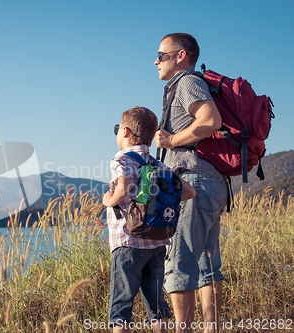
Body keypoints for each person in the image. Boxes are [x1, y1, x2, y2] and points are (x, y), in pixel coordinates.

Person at [153, 33, 228, 333]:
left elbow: (211, 120)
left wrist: (171, 139)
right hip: (209, 183)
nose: (155, 60)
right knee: (207, 267)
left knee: (179, 265)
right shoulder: (189, 84)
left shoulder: (187, 82)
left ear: (180, 56)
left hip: (192, 183)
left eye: (161, 54)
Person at [103, 106, 196, 333]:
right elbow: (189, 191)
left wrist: (109, 200)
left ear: (124, 132)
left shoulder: (121, 159)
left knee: (121, 308)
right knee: (157, 305)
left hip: (127, 242)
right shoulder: (158, 164)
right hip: (156, 242)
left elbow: (123, 187)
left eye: (117, 128)